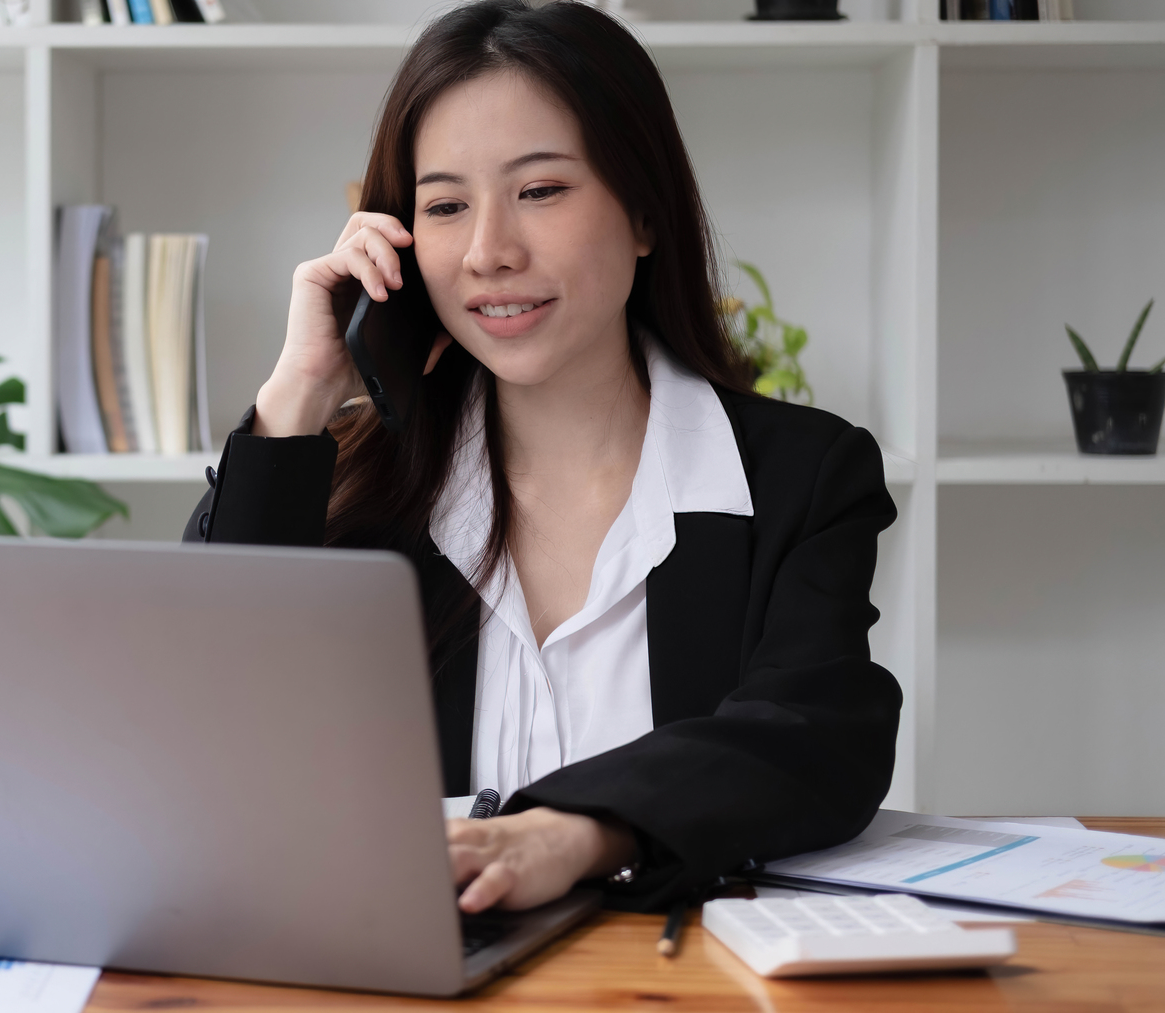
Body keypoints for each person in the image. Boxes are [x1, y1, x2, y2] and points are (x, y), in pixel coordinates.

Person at [182, 0, 900, 915]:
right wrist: (299, 396)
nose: (489, 252)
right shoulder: (357, 484)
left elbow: (820, 734)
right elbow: (205, 713)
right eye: (444, 206)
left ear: (645, 214)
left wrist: (572, 831)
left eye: (541, 190)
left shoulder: (803, 477)